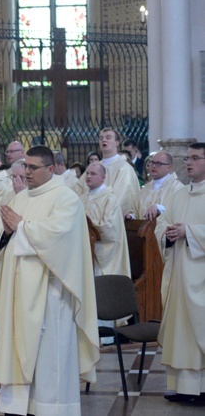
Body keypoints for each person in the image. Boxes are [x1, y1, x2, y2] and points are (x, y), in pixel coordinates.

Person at [0, 145, 99, 416]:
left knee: (50, 355)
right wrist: (4, 233)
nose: (26, 172)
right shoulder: (19, 199)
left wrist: (22, 227)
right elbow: (0, 237)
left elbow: (60, 237)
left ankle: (52, 409)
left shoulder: (66, 199)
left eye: (32, 167)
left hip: (51, 294)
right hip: (18, 292)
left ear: (50, 169)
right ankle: (19, 407)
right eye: (25, 166)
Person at [154, 142, 205, 403]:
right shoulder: (179, 195)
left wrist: (191, 232)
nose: (189, 163)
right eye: (187, 158)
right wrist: (169, 234)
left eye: (195, 158)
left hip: (201, 278)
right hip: (179, 273)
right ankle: (184, 387)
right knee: (180, 330)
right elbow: (162, 224)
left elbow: (193, 229)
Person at [81, 162, 131, 278]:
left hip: (101, 251)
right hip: (83, 250)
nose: (88, 176)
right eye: (87, 173)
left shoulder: (110, 199)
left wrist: (86, 224)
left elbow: (109, 228)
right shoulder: (81, 199)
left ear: (103, 178)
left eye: (93, 174)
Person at [74, 128, 140, 216]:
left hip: (108, 218)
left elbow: (120, 198)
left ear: (117, 143)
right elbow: (78, 191)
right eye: (101, 138)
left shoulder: (124, 168)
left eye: (108, 137)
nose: (104, 140)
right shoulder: (93, 167)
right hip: (86, 218)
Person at [127, 151, 184, 221]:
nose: (153, 166)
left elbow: (179, 211)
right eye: (152, 162)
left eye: (159, 163)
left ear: (169, 167)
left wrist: (159, 208)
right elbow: (136, 210)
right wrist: (131, 216)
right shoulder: (145, 188)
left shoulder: (177, 188)